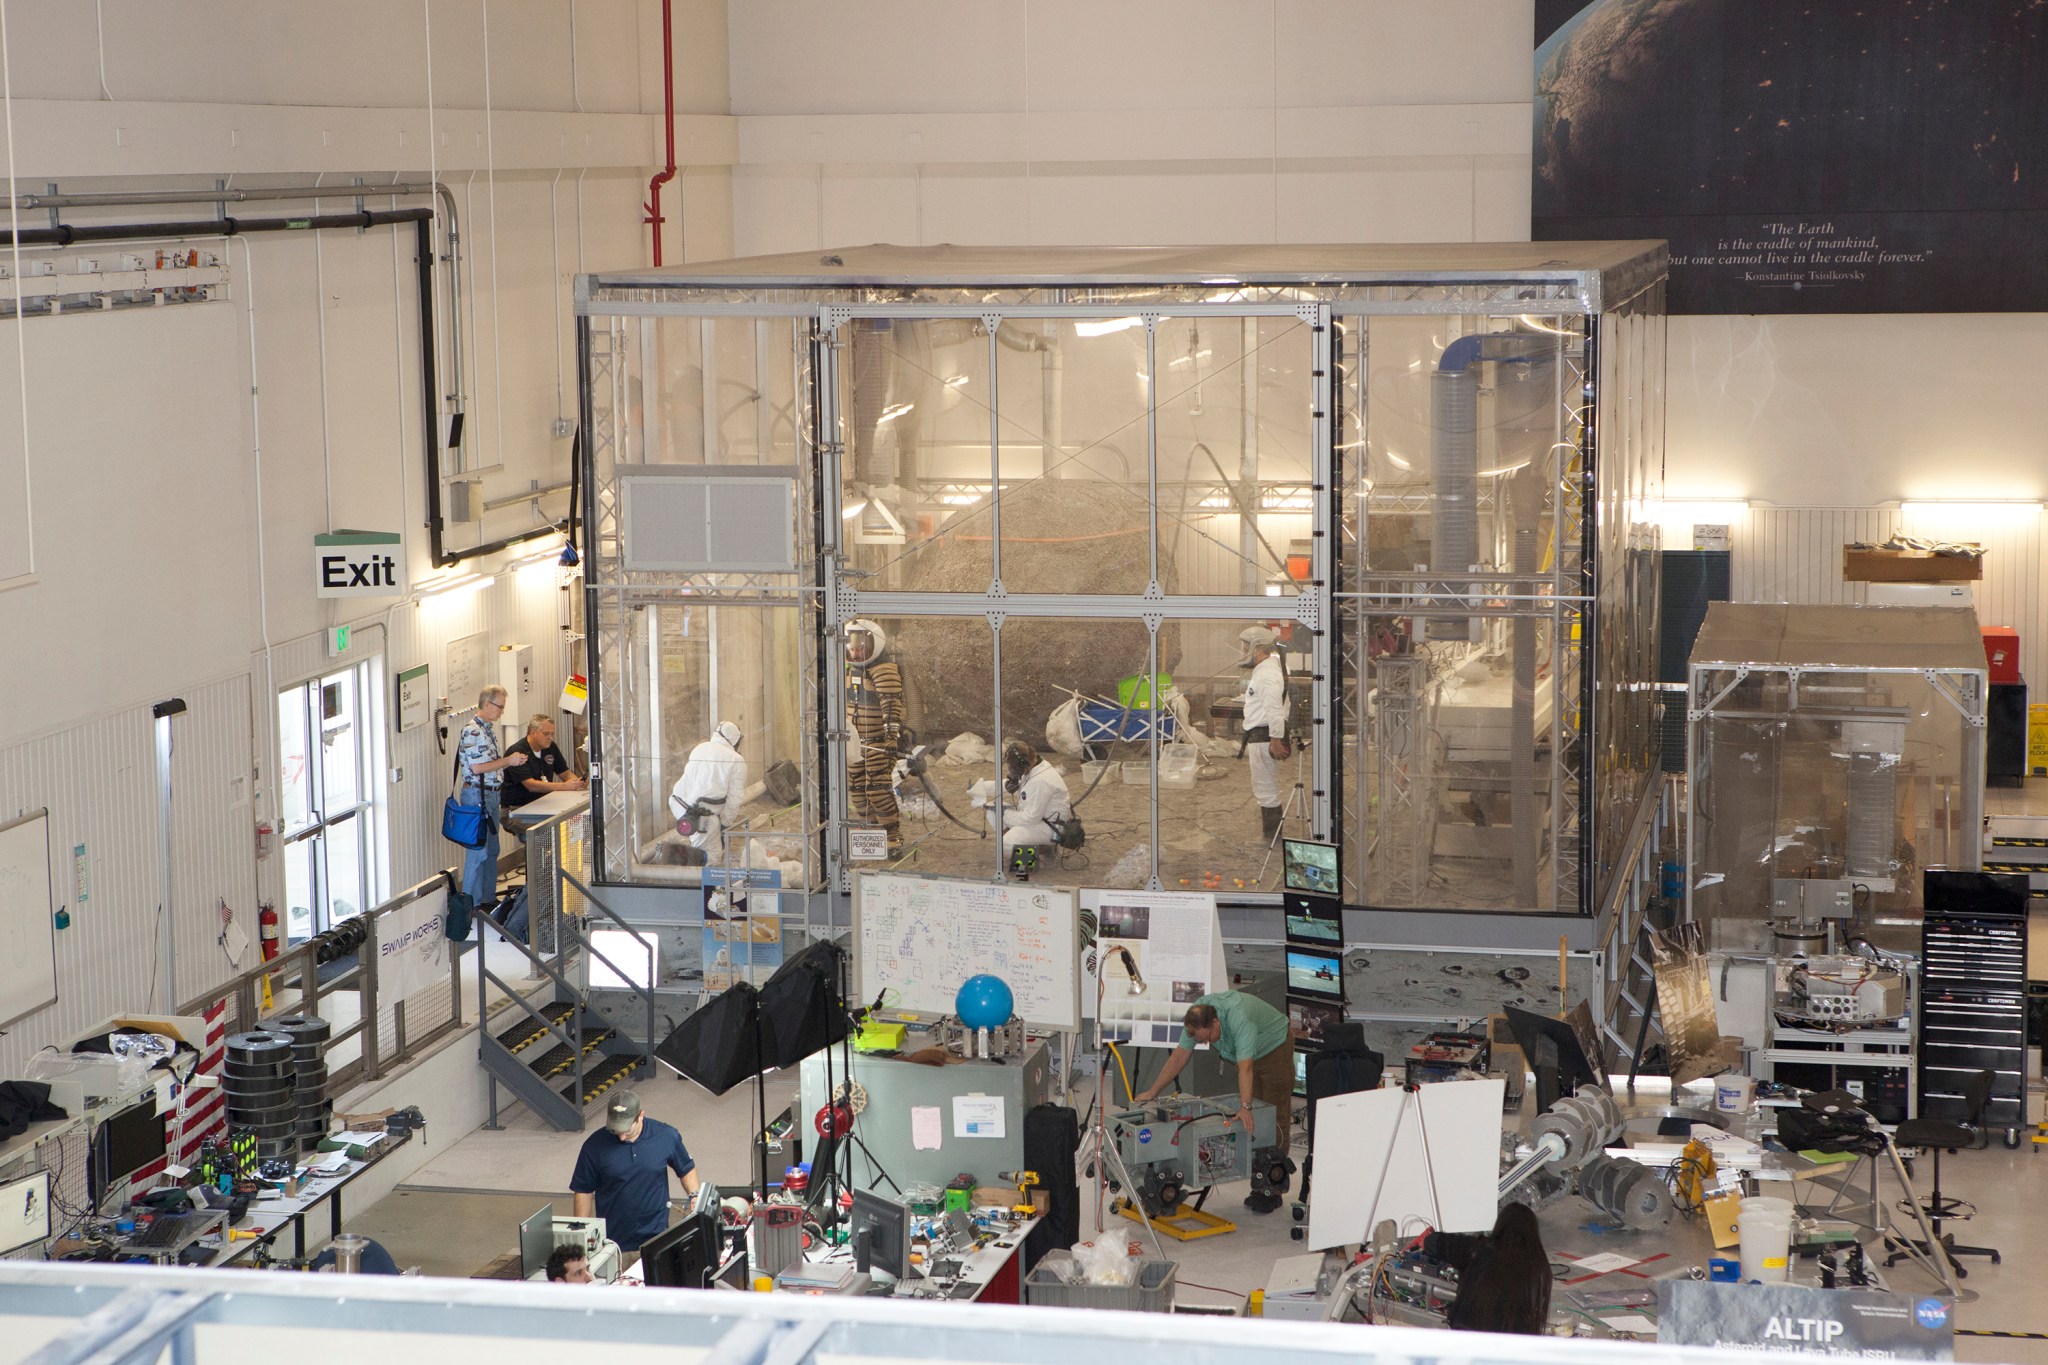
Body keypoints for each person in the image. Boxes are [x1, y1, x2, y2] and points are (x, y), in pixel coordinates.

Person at [1133, 991, 1295, 1211]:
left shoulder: (1240, 1019)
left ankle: (1271, 1189)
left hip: (1274, 1048)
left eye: (1207, 1037)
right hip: (1246, 1055)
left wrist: (1245, 1107)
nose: (1207, 1042)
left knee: (1272, 1115)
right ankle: (1258, 1175)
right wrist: (1153, 1091)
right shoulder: (1196, 1017)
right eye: (1201, 1040)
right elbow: (1180, 1055)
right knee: (1254, 1117)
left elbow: (1246, 1066)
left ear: (1216, 1022)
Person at [569, 1091, 701, 1255]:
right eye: (615, 1130)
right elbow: (583, 1192)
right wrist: (583, 1238)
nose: (622, 1137)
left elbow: (686, 1168)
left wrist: (694, 1195)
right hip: (613, 1246)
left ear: (641, 1116)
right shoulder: (594, 1146)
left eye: (627, 1130)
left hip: (656, 1242)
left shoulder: (666, 1136)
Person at [455, 685, 530, 918]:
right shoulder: (473, 731)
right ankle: (469, 903)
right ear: (487, 704)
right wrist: (509, 761)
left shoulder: (486, 729)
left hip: (490, 794)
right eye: (499, 707)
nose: (501, 712)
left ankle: (487, 898)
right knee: (478, 852)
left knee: (492, 849)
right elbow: (478, 767)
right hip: (478, 796)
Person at [1443, 1202, 1553, 1335]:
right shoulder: (1539, 1266)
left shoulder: (1479, 1249)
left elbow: (1434, 1242)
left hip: (1467, 1333)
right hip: (1511, 1341)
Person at [844, 619, 905, 853]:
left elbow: (891, 707)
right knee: (857, 790)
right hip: (855, 743)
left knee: (878, 789)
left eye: (861, 646)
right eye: (853, 645)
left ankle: (893, 836)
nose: (856, 650)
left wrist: (891, 739)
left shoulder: (884, 670)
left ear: (875, 644)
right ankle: (872, 834)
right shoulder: (852, 670)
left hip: (878, 742)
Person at [1237, 625, 1290, 843]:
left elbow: (1275, 711)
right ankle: (1271, 835)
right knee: (1264, 785)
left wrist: (1275, 741)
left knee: (1266, 787)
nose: (1242, 651)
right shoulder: (1265, 670)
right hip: (1262, 736)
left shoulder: (1267, 674)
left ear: (1257, 648)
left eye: (1244, 647)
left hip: (1265, 737)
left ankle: (1272, 837)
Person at [668, 721, 748, 861]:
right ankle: (677, 861)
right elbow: (734, 799)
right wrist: (725, 823)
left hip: (678, 804)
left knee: (697, 840)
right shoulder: (736, 760)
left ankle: (682, 855)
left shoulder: (701, 747)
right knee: (713, 856)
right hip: (702, 815)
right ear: (735, 740)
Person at [989, 739, 1073, 857]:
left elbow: (1031, 818)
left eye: (1012, 766)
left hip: (1050, 827)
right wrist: (982, 787)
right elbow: (1011, 785)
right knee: (992, 811)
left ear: (1022, 764)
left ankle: (1036, 856)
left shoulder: (1040, 781)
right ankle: (1030, 844)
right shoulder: (1034, 766)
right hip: (1040, 818)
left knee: (1007, 843)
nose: (1010, 770)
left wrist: (1006, 813)